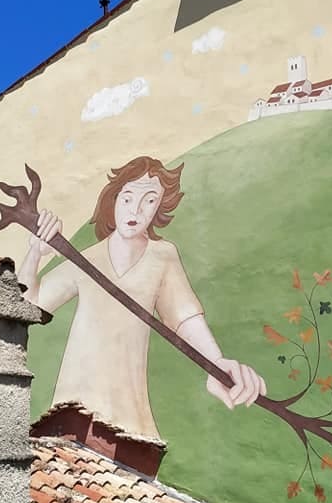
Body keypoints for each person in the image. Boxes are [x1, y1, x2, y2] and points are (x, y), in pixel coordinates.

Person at [17, 155, 266, 440]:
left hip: (130, 416)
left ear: (160, 206)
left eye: (149, 200)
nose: (135, 209)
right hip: (72, 411)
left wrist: (216, 363)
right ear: (113, 201)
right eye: (127, 198)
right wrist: (35, 251)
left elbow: (183, 318)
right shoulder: (87, 259)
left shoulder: (163, 257)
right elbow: (29, 305)